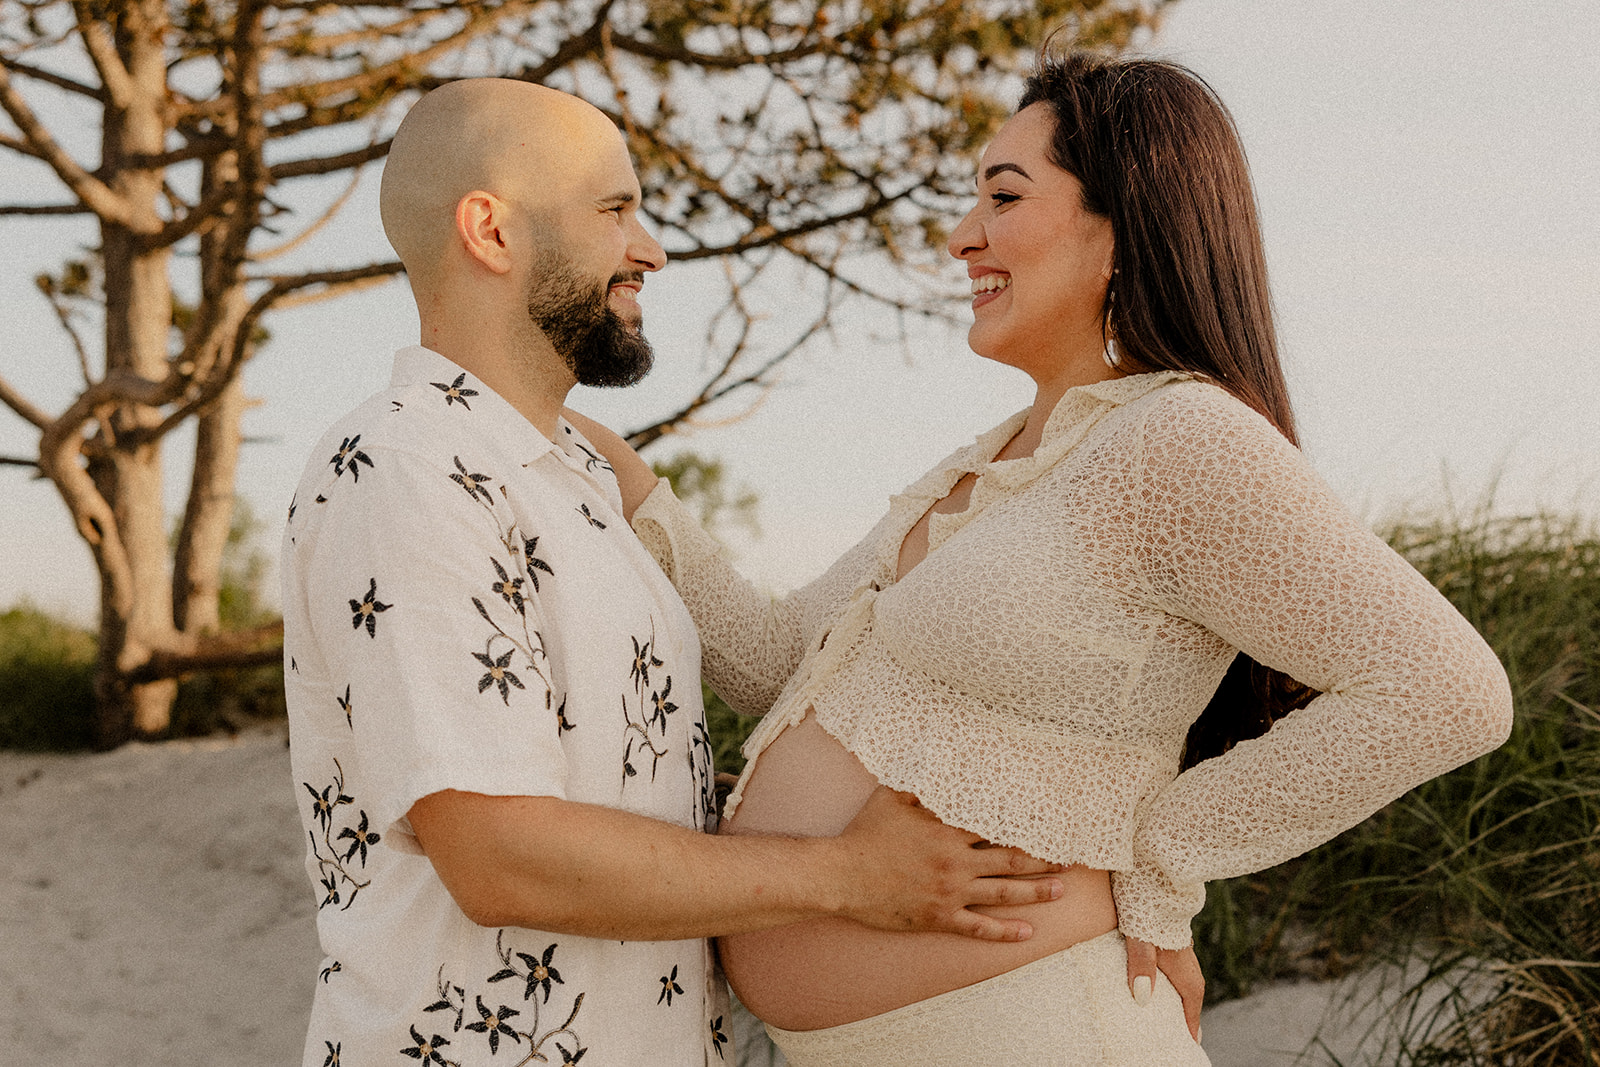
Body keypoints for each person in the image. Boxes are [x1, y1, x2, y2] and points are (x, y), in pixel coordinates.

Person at [573, 50, 1514, 1065]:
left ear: (1123, 225)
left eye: (1003, 196)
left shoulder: (1177, 438)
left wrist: (1162, 863)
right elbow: (767, 662)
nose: (960, 235)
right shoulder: (979, 467)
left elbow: (1445, 689)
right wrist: (613, 465)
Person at [279, 78, 1071, 1067]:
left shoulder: (569, 476)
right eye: (614, 211)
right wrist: (845, 874)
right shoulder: (412, 467)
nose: (649, 248)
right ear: (489, 229)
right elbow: (497, 852)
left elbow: (641, 750)